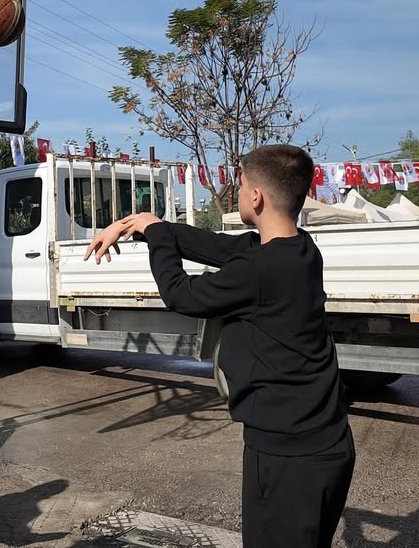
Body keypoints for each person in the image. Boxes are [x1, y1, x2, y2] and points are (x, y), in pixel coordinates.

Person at [85, 144, 353, 548]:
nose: (239, 193)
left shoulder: (258, 270)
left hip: (288, 457)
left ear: (256, 197)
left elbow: (181, 294)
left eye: (241, 187)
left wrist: (156, 236)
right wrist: (145, 224)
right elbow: (219, 247)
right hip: (323, 445)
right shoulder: (300, 249)